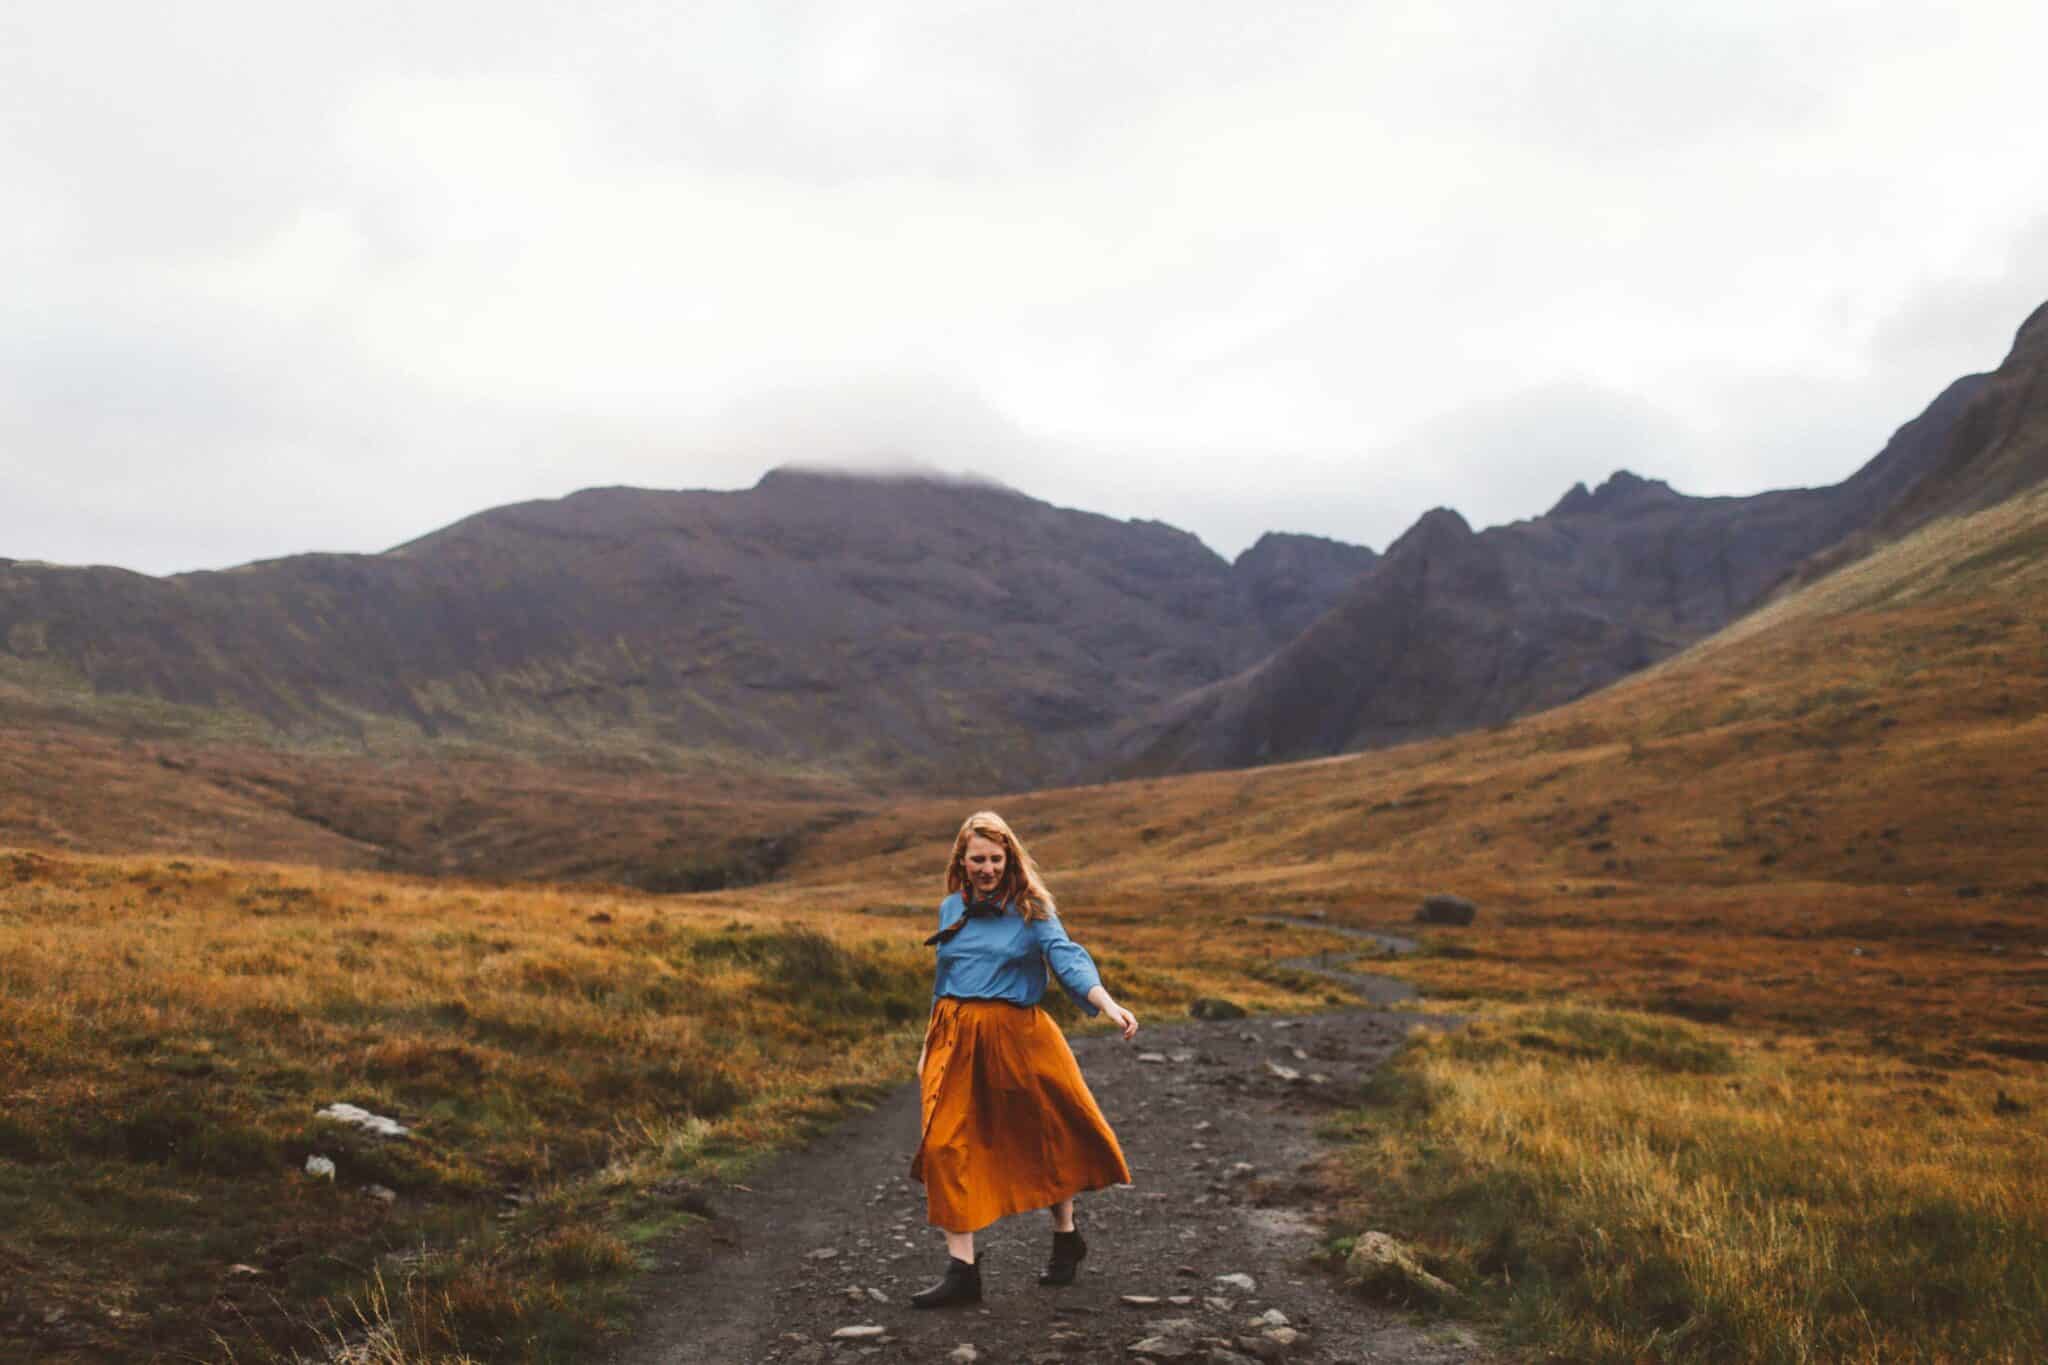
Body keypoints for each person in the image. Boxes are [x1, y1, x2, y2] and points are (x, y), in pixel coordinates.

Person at [907, 809, 1139, 1309]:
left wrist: (1106, 1003)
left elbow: (1067, 958)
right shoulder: (951, 908)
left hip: (1017, 1037)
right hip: (954, 1036)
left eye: (995, 858)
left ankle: (1065, 1235)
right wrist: (929, 1045)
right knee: (945, 1145)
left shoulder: (1033, 909)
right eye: (977, 860)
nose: (987, 868)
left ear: (1009, 857)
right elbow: (943, 978)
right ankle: (962, 1272)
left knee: (1041, 1138)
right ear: (962, 861)